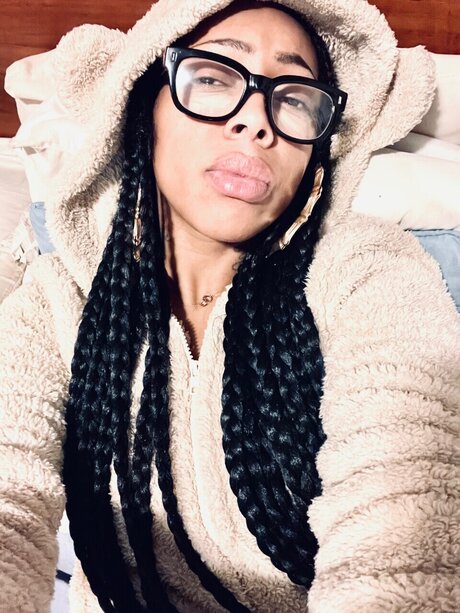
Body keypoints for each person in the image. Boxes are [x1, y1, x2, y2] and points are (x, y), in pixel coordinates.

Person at [0, 0, 458, 611]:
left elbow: (409, 492)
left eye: (294, 98)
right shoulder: (57, 299)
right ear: (143, 109)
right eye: (213, 77)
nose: (256, 120)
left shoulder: (366, 269)